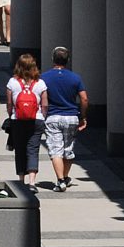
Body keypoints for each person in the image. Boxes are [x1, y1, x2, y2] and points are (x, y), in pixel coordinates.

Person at [42, 46, 89, 192]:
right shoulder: (75, 78)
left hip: (53, 117)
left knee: (55, 150)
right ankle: (65, 176)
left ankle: (61, 180)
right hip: (71, 117)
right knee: (68, 149)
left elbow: (41, 98)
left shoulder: (44, 77)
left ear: (53, 59)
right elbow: (84, 98)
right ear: (68, 60)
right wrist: (83, 116)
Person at [5, 52, 47, 187]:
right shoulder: (40, 83)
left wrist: (11, 114)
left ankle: (21, 180)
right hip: (36, 120)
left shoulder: (12, 82)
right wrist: (43, 116)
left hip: (18, 120)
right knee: (33, 149)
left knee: (20, 150)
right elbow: (45, 104)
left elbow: (9, 103)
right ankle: (32, 182)